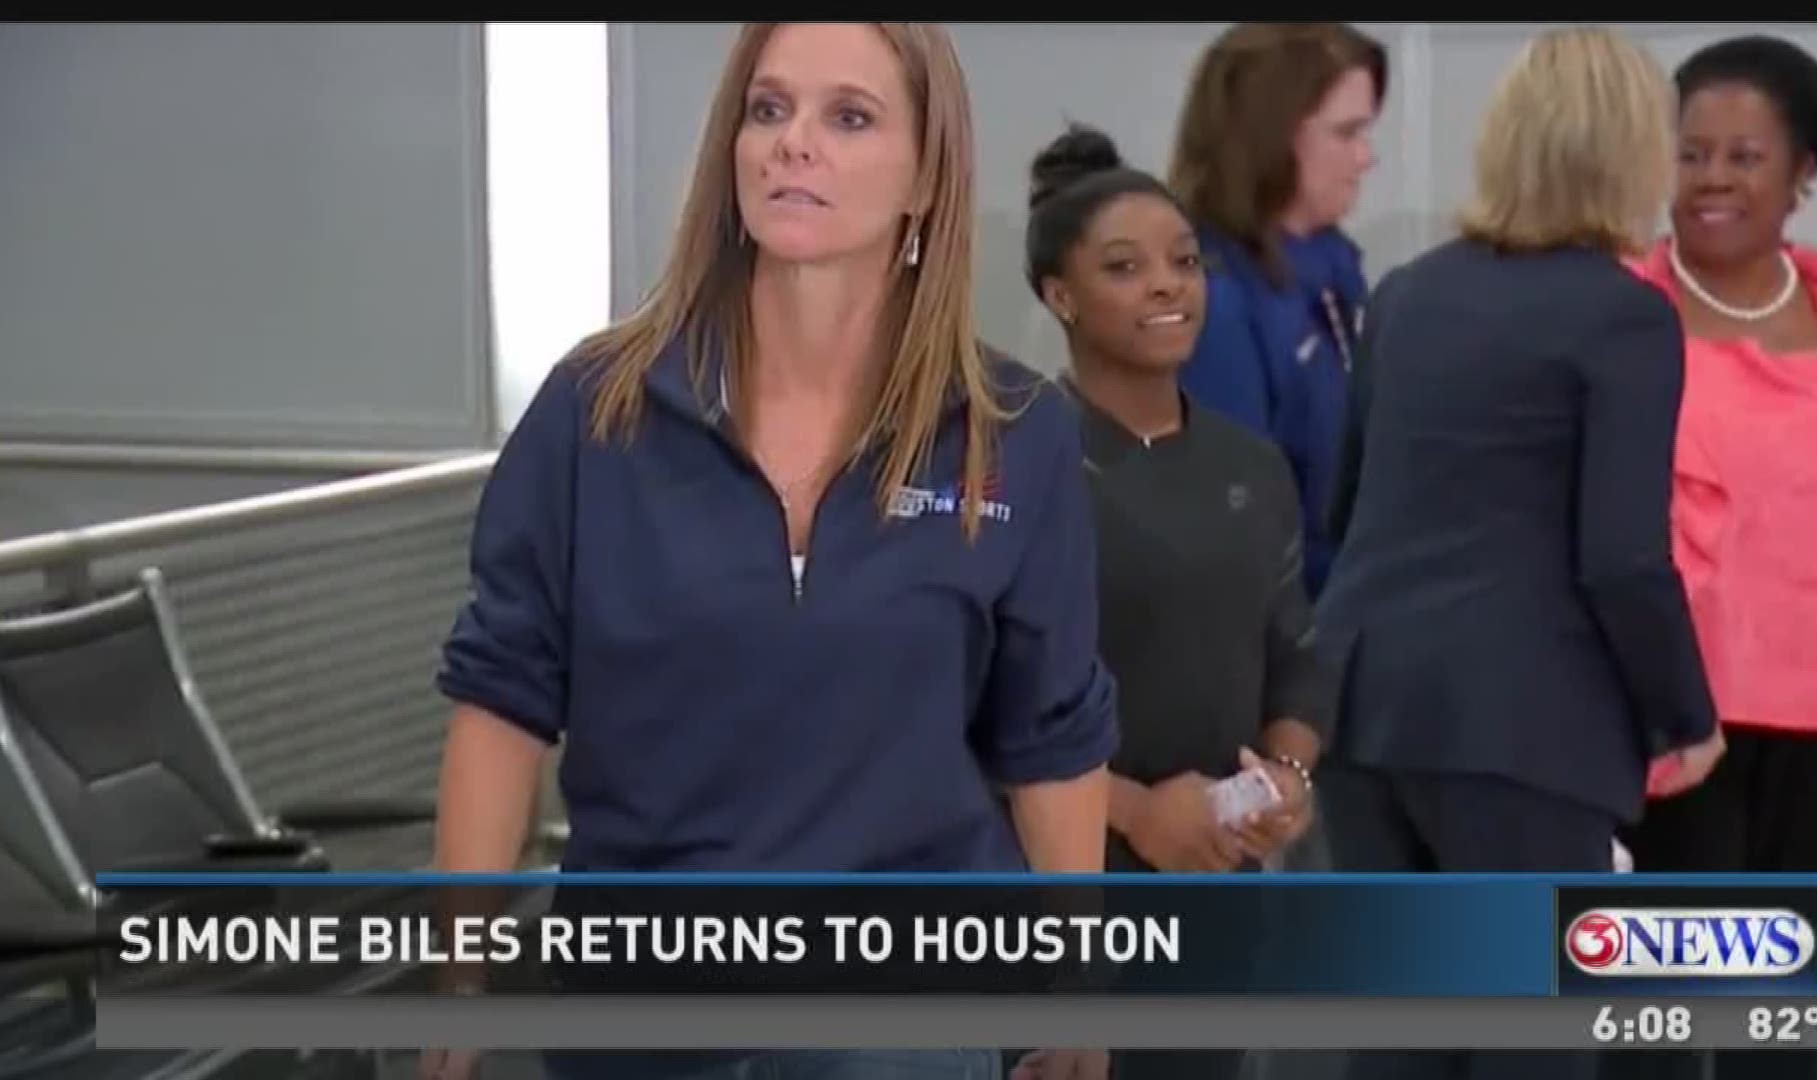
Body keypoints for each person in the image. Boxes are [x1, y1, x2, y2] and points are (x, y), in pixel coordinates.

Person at [424, 22, 1117, 1080]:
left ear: (927, 173)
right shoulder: (596, 411)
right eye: (769, 108)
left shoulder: (1013, 433)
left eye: (849, 116)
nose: (793, 142)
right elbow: (502, 703)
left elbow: (1053, 737)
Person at [1312, 28, 1726, 1080]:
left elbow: (1348, 509)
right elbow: (1621, 559)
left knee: (1396, 1045)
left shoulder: (1405, 292)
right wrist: (1685, 715)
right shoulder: (1623, 318)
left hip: (1365, 713)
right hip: (1524, 731)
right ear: (1629, 150)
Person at [1608, 35, 1817, 1080]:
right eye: (1691, 153)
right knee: (1645, 1040)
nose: (1711, 180)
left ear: (1803, 175)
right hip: (1655, 734)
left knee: (1775, 1047)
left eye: (1744, 156)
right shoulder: (1611, 315)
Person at [1017, 123, 1333, 1080]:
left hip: (1210, 887)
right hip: (1061, 892)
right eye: (1126, 267)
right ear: (1059, 295)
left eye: (1184, 262)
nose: (1167, 284)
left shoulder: (1251, 464)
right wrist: (1137, 811)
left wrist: (1286, 777)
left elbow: (1297, 649)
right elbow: (966, 697)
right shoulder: (1016, 462)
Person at [1167, 22, 1388, 600]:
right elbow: (1238, 535)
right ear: (1271, 136)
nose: (1367, 157)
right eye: (1347, 133)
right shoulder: (1212, 303)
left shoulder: (1335, 274)